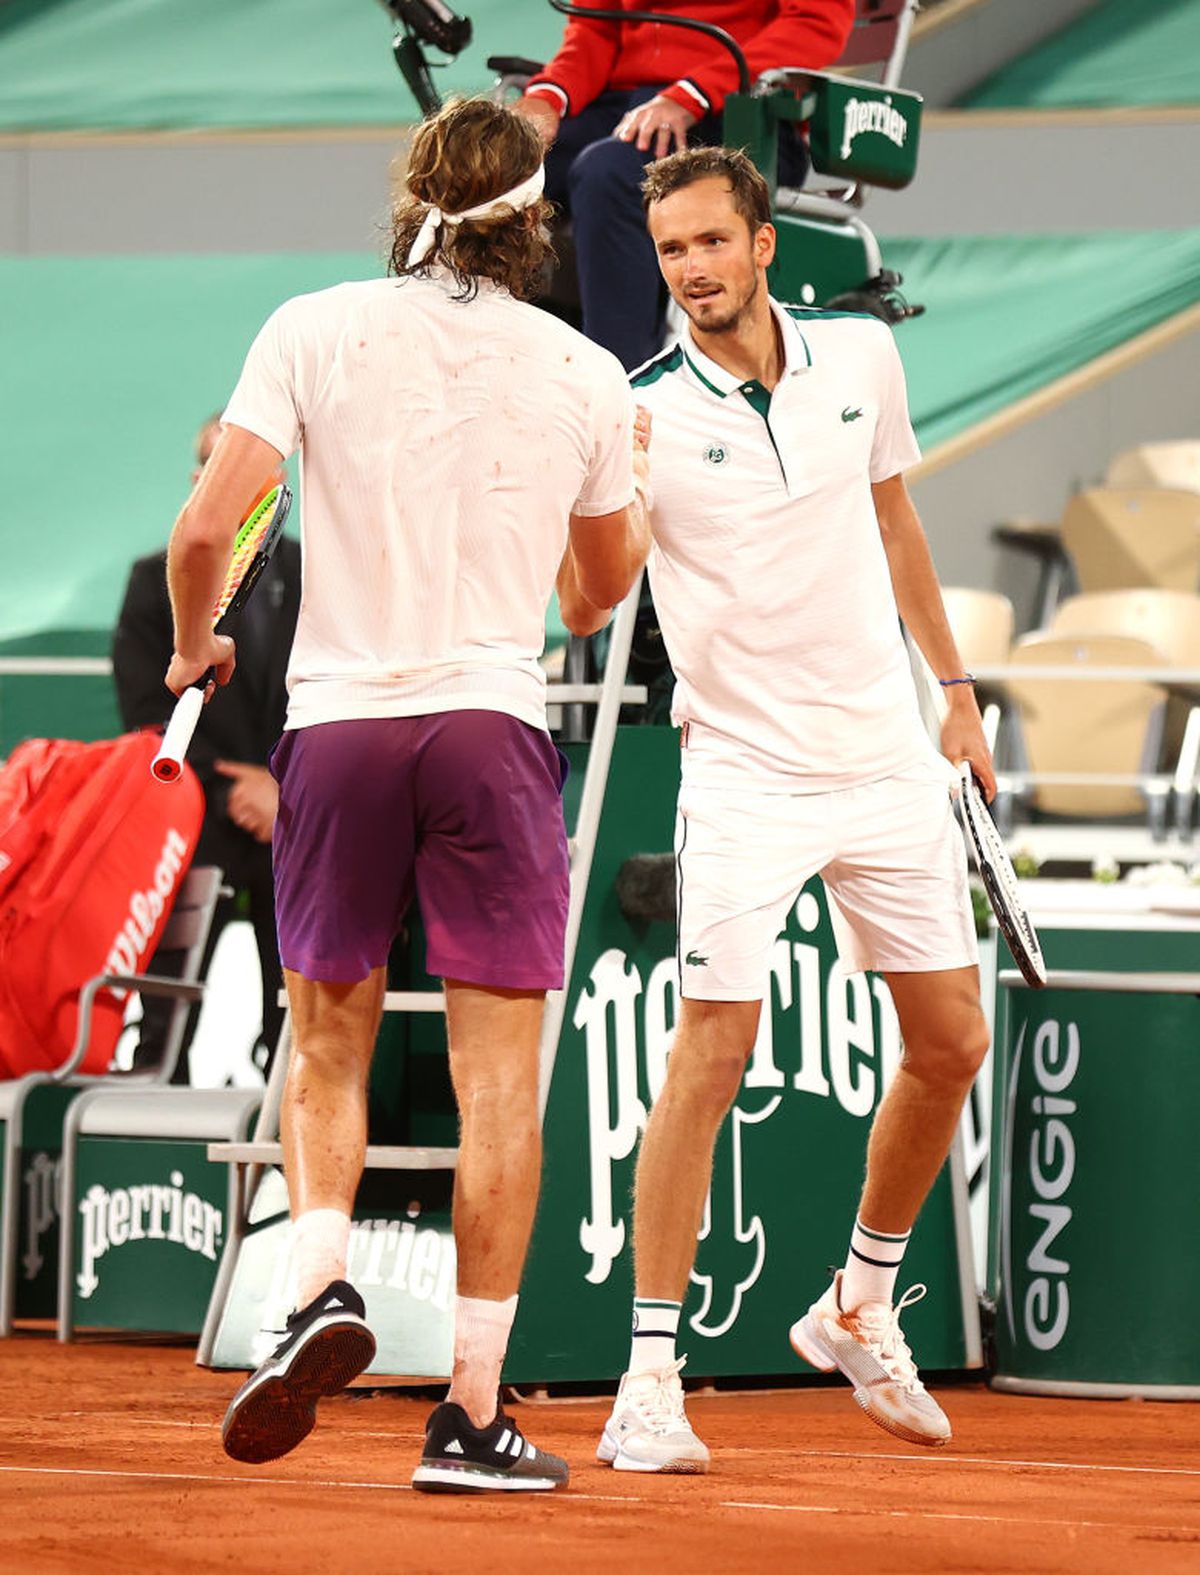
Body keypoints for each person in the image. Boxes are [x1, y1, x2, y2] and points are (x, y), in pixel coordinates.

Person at [162, 96, 649, 1492]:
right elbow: (599, 590)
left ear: (411, 197)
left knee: (326, 1041)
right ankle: (474, 1416)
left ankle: (319, 1283)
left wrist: (200, 643)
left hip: (342, 728)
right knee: (502, 1082)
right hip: (493, 724)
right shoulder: (584, 369)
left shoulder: (311, 325)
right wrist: (578, 557)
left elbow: (206, 528)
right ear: (536, 223)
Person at [585, 146, 995, 1473]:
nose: (692, 269)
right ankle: (650, 1378)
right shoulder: (640, 407)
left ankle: (858, 1301)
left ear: (763, 242)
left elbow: (897, 523)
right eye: (671, 253)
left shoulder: (863, 362)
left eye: (711, 242)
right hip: (747, 774)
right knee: (712, 1048)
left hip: (883, 756)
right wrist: (594, 503)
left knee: (951, 1041)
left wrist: (956, 689)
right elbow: (590, 600)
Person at [514, 0, 855, 370]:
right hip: (623, 100)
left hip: (741, 107)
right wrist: (548, 96)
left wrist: (691, 95)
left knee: (609, 173)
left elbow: (813, 25)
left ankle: (624, 390)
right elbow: (596, 28)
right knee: (501, 167)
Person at [112, 416, 298, 1083]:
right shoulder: (147, 586)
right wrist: (230, 794)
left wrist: (284, 794)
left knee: (302, 1037)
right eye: (204, 465)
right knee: (161, 1035)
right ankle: (144, 1168)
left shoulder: (318, 579)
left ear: (272, 481)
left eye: (231, 463)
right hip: (194, 833)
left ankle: (294, 1172)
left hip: (294, 831)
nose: (210, 479)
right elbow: (145, 719)